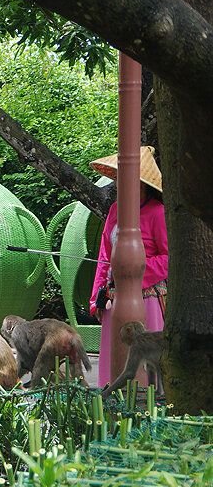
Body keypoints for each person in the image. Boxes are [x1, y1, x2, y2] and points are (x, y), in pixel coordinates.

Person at [90, 146, 168, 387]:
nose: (119, 185)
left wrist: (132, 275)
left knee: (146, 372)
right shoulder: (114, 211)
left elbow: (168, 257)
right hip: (113, 300)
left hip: (147, 301)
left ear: (142, 184)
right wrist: (97, 296)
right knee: (113, 365)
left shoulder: (158, 213)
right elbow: (105, 255)